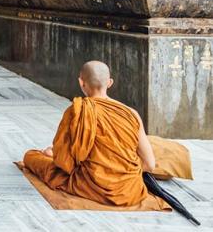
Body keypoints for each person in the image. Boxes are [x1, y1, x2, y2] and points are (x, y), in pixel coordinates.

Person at [23, 61, 157, 207]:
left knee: (31, 156)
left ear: (81, 82)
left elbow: (64, 163)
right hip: (130, 190)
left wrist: (52, 154)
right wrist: (121, 171)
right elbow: (150, 164)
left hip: (90, 184)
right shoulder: (131, 114)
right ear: (110, 82)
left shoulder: (76, 111)